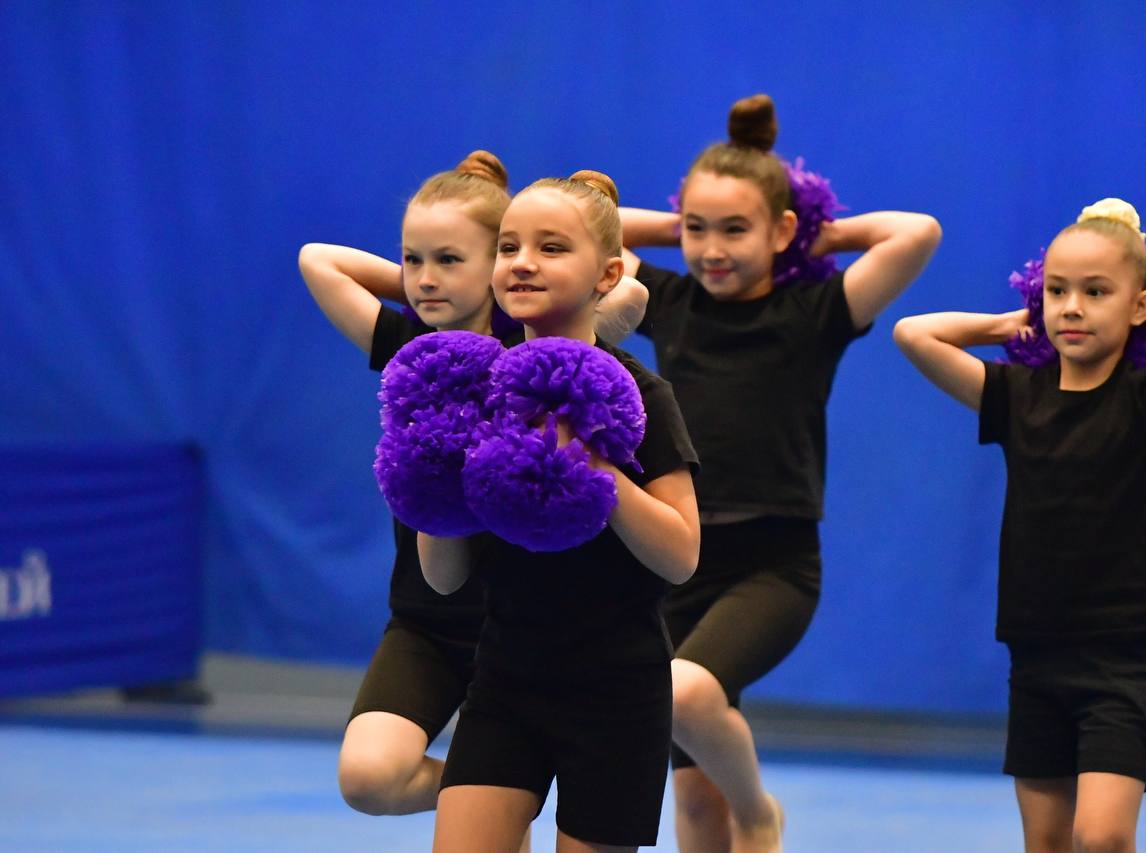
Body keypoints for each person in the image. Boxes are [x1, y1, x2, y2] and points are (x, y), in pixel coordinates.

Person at [619, 94, 941, 852]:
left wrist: (813, 232)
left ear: (783, 231)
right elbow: (584, 222)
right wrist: (680, 226)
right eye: (696, 229)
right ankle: (736, 815)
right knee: (693, 799)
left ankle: (759, 813)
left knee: (684, 693)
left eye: (736, 229)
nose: (711, 249)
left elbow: (916, 233)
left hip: (773, 566)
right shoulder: (670, 301)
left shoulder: (815, 311)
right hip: (677, 563)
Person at [297, 151, 645, 828]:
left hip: (518, 623)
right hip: (428, 617)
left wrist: (503, 270)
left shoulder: (535, 349)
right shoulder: (408, 343)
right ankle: (506, 793)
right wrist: (424, 274)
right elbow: (318, 260)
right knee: (368, 777)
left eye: (449, 260)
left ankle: (505, 793)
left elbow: (628, 295)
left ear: (500, 262)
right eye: (413, 260)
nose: (426, 278)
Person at [893, 198, 1146, 853]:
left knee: (1102, 836)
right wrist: (1007, 324)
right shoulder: (1014, 396)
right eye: (1056, 291)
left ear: (1140, 305)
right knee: (1048, 842)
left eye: (1095, 292)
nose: (1072, 308)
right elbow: (913, 333)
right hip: (1036, 650)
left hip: (1126, 656)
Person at [420, 170, 700, 853]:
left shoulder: (641, 396)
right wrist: (437, 482)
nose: (522, 262)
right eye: (508, 246)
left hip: (616, 689)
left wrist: (597, 468)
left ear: (607, 274)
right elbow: (443, 578)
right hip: (505, 677)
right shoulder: (474, 390)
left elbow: (681, 555)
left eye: (550, 247)